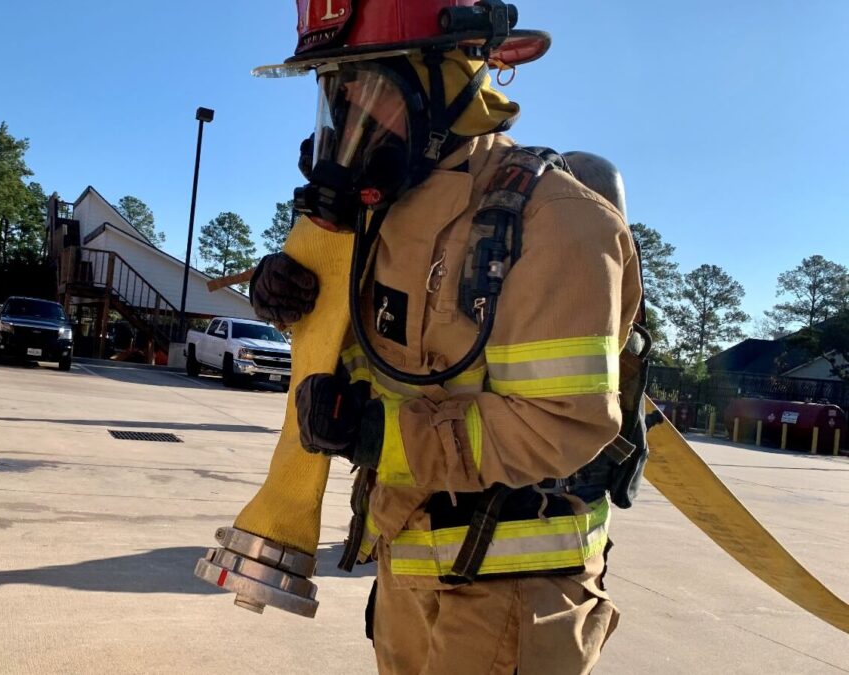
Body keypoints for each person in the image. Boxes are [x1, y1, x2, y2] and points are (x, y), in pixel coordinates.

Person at [250, 2, 643, 673]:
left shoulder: (559, 222)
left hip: (514, 594)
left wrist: (377, 436)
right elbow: (394, 369)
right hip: (411, 568)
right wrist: (298, 303)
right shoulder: (387, 225)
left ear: (444, 84)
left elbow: (557, 426)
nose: (345, 121)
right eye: (331, 94)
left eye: (365, 88)